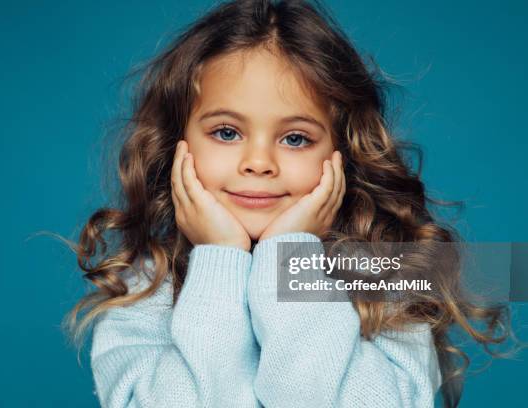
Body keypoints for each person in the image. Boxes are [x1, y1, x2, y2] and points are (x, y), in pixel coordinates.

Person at [61, 1, 518, 407]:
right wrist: (220, 261)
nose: (259, 162)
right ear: (178, 144)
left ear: (343, 154)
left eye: (295, 138)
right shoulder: (141, 295)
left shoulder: (386, 286)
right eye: (226, 132)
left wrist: (290, 258)